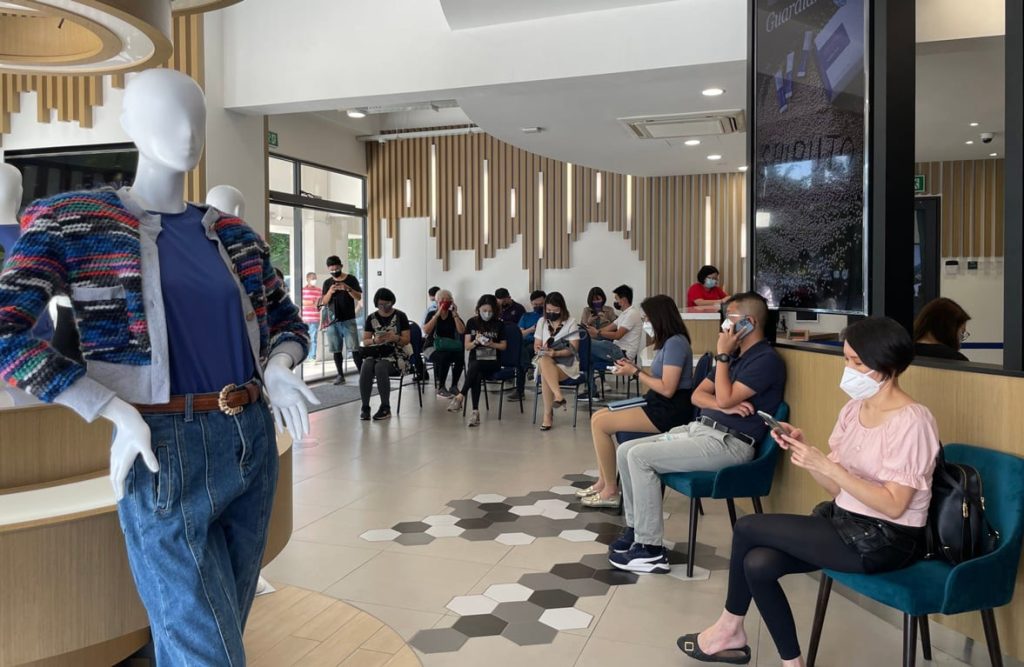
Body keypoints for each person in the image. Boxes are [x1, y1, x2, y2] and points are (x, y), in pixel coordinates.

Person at [682, 317, 938, 667]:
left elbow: (894, 506)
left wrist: (829, 466)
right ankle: (792, 663)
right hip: (847, 523)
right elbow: (836, 488)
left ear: (887, 366)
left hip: (887, 539)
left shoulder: (913, 420)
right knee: (758, 564)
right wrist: (806, 452)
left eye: (857, 362)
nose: (848, 370)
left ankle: (729, 628)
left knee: (747, 527)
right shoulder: (854, 409)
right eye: (846, 359)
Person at [606, 292, 786, 572]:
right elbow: (698, 396)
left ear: (749, 323)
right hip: (701, 430)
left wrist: (723, 360)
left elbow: (724, 397)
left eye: (730, 319)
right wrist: (725, 405)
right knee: (626, 450)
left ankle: (651, 550)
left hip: (729, 443)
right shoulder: (736, 357)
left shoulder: (764, 360)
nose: (724, 326)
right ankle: (637, 529)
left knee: (639, 457)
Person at [580, 295, 694, 506]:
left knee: (600, 424)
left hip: (669, 410)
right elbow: (661, 381)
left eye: (647, 318)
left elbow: (668, 388)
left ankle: (610, 490)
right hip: (658, 401)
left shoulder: (676, 344)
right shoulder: (669, 342)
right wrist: (633, 369)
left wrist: (635, 372)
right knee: (598, 416)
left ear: (659, 318)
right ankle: (603, 481)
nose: (645, 323)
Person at [448, 294, 507, 426]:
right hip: (475, 360)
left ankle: (460, 396)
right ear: (478, 309)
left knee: (475, 367)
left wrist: (492, 344)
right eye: (484, 310)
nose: (487, 313)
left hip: (493, 360)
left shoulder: (499, 324)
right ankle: (475, 412)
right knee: (477, 373)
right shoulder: (472, 322)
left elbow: (503, 346)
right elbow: (467, 346)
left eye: (490, 311)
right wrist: (476, 341)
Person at [358, 288, 411, 421]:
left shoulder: (400, 316)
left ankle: (385, 407)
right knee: (367, 365)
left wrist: (396, 338)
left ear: (392, 302)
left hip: (397, 355)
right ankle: (365, 407)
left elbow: (406, 340)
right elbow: (365, 341)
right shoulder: (371, 318)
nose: (384, 307)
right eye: (381, 304)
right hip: (377, 351)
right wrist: (375, 340)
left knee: (380, 366)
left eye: (387, 304)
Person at [534, 292, 581, 430]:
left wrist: (555, 353)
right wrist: (539, 349)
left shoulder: (571, 322)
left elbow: (573, 349)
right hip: (546, 360)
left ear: (562, 309)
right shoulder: (542, 322)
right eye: (548, 310)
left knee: (545, 374)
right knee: (544, 360)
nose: (551, 313)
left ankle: (548, 415)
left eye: (555, 310)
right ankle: (558, 395)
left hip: (566, 363)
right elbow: (536, 344)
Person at [586, 284, 643, 393]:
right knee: (587, 356)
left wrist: (597, 332)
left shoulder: (632, 314)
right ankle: (592, 392)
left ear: (623, 300)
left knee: (585, 343)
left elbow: (617, 335)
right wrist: (593, 332)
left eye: (616, 299)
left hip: (623, 354)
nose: (616, 302)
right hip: (615, 350)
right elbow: (608, 328)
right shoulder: (624, 314)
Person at [320, 255, 363, 384]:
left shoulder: (351, 279)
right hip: (332, 321)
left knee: (354, 348)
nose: (334, 272)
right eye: (332, 270)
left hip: (348, 319)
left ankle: (363, 375)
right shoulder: (327, 283)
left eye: (336, 269)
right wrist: (330, 292)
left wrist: (347, 288)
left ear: (341, 266)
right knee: (336, 350)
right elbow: (324, 302)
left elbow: (358, 297)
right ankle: (340, 375)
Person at [423, 288, 466, 398]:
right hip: (431, 347)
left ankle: (454, 386)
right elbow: (426, 330)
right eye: (442, 299)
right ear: (437, 301)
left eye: (448, 299)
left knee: (460, 355)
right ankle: (441, 388)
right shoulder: (431, 314)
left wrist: (455, 314)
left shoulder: (453, 315)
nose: (445, 301)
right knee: (444, 356)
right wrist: (437, 314)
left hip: (449, 347)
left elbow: (462, 331)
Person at [511, 290, 546, 402]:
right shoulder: (526, 316)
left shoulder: (548, 317)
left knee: (521, 357)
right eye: (536, 304)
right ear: (531, 303)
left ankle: (520, 391)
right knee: (521, 351)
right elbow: (520, 334)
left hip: (539, 344)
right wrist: (531, 329)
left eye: (541, 304)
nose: (538, 306)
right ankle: (529, 367)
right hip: (524, 342)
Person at [913, 297, 971, 361]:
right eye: (962, 333)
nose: (960, 341)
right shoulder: (955, 359)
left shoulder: (906, 353)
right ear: (950, 329)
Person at [301, 271, 321, 361]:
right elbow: (302, 302)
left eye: (315, 278)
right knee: (304, 338)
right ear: (307, 279)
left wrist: (309, 302)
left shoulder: (319, 290)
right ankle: (305, 356)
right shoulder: (302, 290)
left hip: (315, 318)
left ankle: (312, 356)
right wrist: (312, 302)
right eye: (312, 278)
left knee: (313, 338)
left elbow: (320, 303)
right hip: (304, 318)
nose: (314, 280)